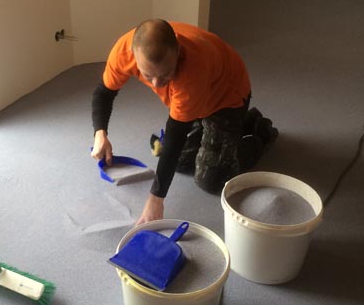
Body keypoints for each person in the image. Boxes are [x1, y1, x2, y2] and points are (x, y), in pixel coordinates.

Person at [91, 19, 277, 225]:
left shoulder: (192, 70)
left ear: (178, 53)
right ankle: (238, 125)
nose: (156, 84)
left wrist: (155, 200)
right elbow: (104, 93)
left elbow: (175, 135)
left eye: (165, 75)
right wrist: (100, 134)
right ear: (134, 56)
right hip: (198, 99)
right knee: (181, 162)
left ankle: (260, 133)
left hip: (226, 97)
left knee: (210, 180)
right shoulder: (124, 51)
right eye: (148, 75)